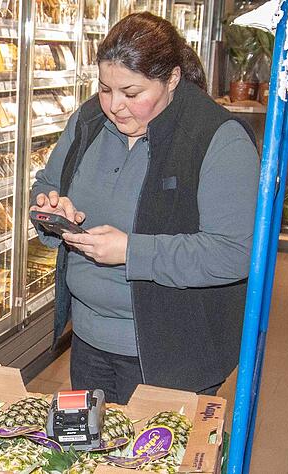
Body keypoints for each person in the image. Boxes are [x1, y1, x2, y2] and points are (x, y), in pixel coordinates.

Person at [30, 12, 260, 404]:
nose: (114, 106)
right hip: (87, 343)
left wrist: (131, 252)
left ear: (171, 79)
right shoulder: (88, 120)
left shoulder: (216, 139)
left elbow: (235, 253)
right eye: (105, 89)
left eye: (132, 94)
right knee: (91, 460)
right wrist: (51, 208)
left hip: (172, 357)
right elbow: (46, 184)